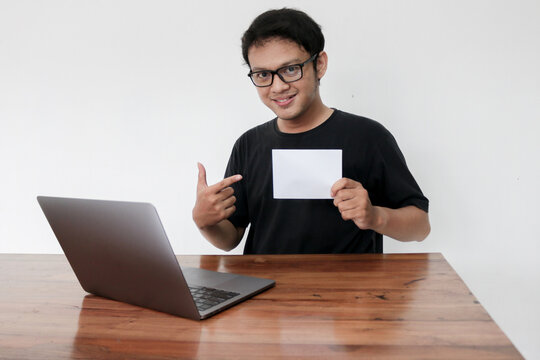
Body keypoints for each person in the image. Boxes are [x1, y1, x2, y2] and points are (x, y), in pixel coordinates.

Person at [192, 8, 430, 254]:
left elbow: (421, 226)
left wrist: (374, 216)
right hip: (266, 287)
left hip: (349, 290)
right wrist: (205, 222)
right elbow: (230, 238)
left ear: (320, 64)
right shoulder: (249, 144)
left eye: (291, 69)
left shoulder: (368, 136)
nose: (278, 86)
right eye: (263, 74)